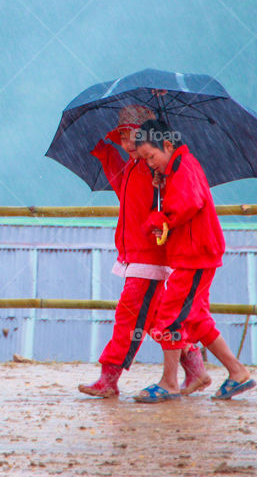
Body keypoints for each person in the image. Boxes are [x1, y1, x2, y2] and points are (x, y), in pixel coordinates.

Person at [78, 106, 208, 398]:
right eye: (122, 137)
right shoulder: (133, 166)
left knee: (128, 316)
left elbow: (174, 203)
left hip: (148, 255)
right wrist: (105, 153)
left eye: (132, 137)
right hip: (134, 255)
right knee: (151, 319)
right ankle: (195, 367)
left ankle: (109, 377)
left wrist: (160, 185)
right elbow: (120, 188)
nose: (126, 144)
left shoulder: (157, 170)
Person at [131, 119, 255, 403]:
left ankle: (169, 382)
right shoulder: (177, 168)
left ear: (167, 145)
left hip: (195, 254)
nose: (150, 163)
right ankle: (237, 372)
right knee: (196, 318)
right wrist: (163, 185)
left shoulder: (184, 166)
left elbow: (189, 202)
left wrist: (159, 217)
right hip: (195, 252)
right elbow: (184, 198)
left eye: (151, 156)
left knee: (169, 315)